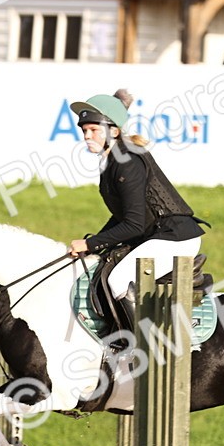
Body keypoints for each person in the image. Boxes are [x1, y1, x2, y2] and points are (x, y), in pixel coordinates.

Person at [68, 89, 206, 336]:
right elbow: (124, 217)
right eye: (84, 130)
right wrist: (92, 243)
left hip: (175, 238)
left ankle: (146, 348)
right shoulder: (112, 159)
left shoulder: (126, 161)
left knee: (117, 281)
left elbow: (133, 225)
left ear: (114, 132)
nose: (87, 136)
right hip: (157, 235)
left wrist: (91, 243)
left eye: (93, 130)